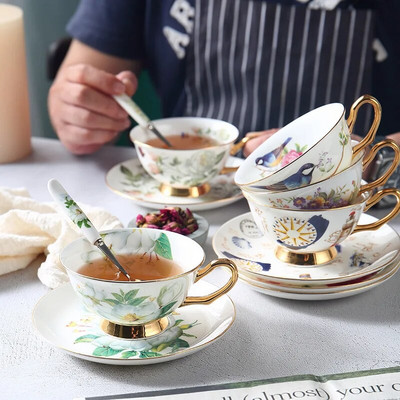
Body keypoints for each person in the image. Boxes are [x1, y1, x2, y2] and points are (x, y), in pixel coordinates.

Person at [48, 0, 400, 157]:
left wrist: (372, 157)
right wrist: (77, 111)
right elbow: (81, 79)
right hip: (194, 212)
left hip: (366, 212)